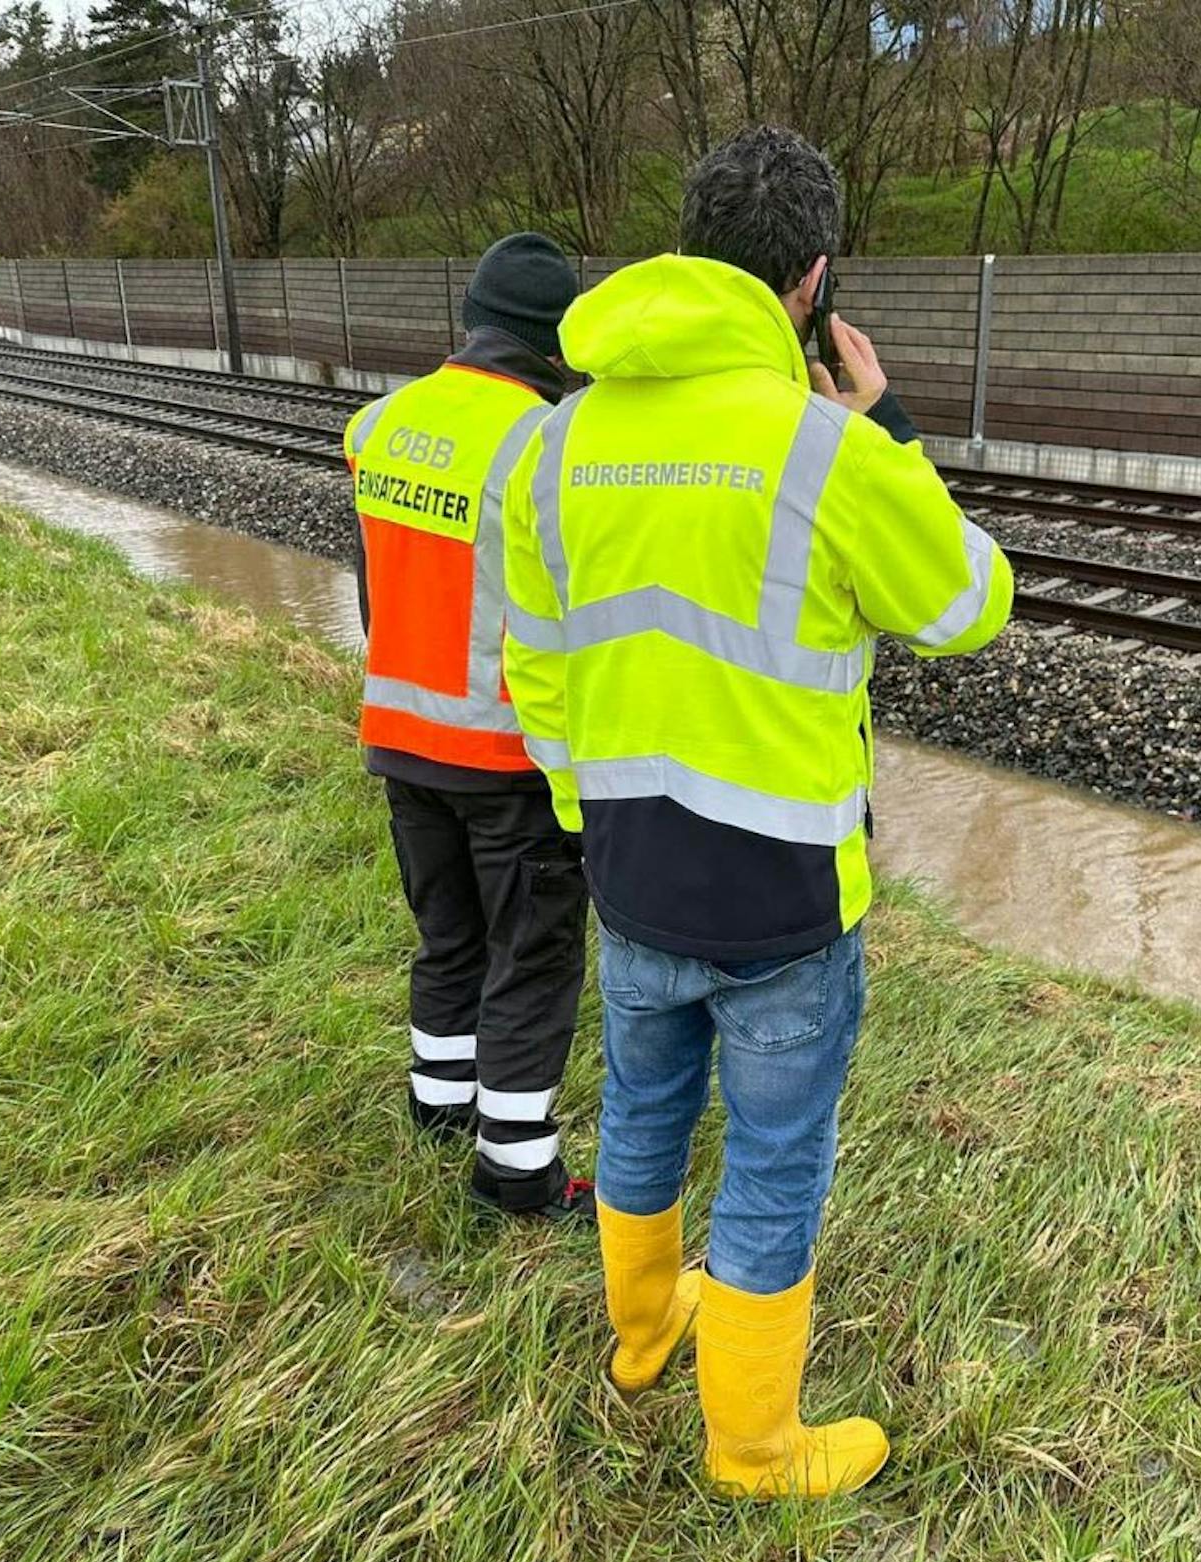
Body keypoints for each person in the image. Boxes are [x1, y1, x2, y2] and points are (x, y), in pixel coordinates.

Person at [502, 128, 1013, 1493]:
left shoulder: (549, 446)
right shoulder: (825, 452)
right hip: (785, 900)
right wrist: (888, 425)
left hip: (627, 869)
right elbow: (968, 604)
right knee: (776, 1160)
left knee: (644, 1116)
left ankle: (641, 1334)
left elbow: (537, 667)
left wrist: (589, 813)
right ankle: (754, 1442)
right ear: (814, 283)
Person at [344, 232, 595, 1222]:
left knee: (447, 934)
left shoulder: (383, 422)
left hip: (398, 734)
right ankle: (517, 1168)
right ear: (555, 345)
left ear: (473, 319)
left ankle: (440, 1103)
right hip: (501, 747)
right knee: (530, 951)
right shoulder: (542, 442)